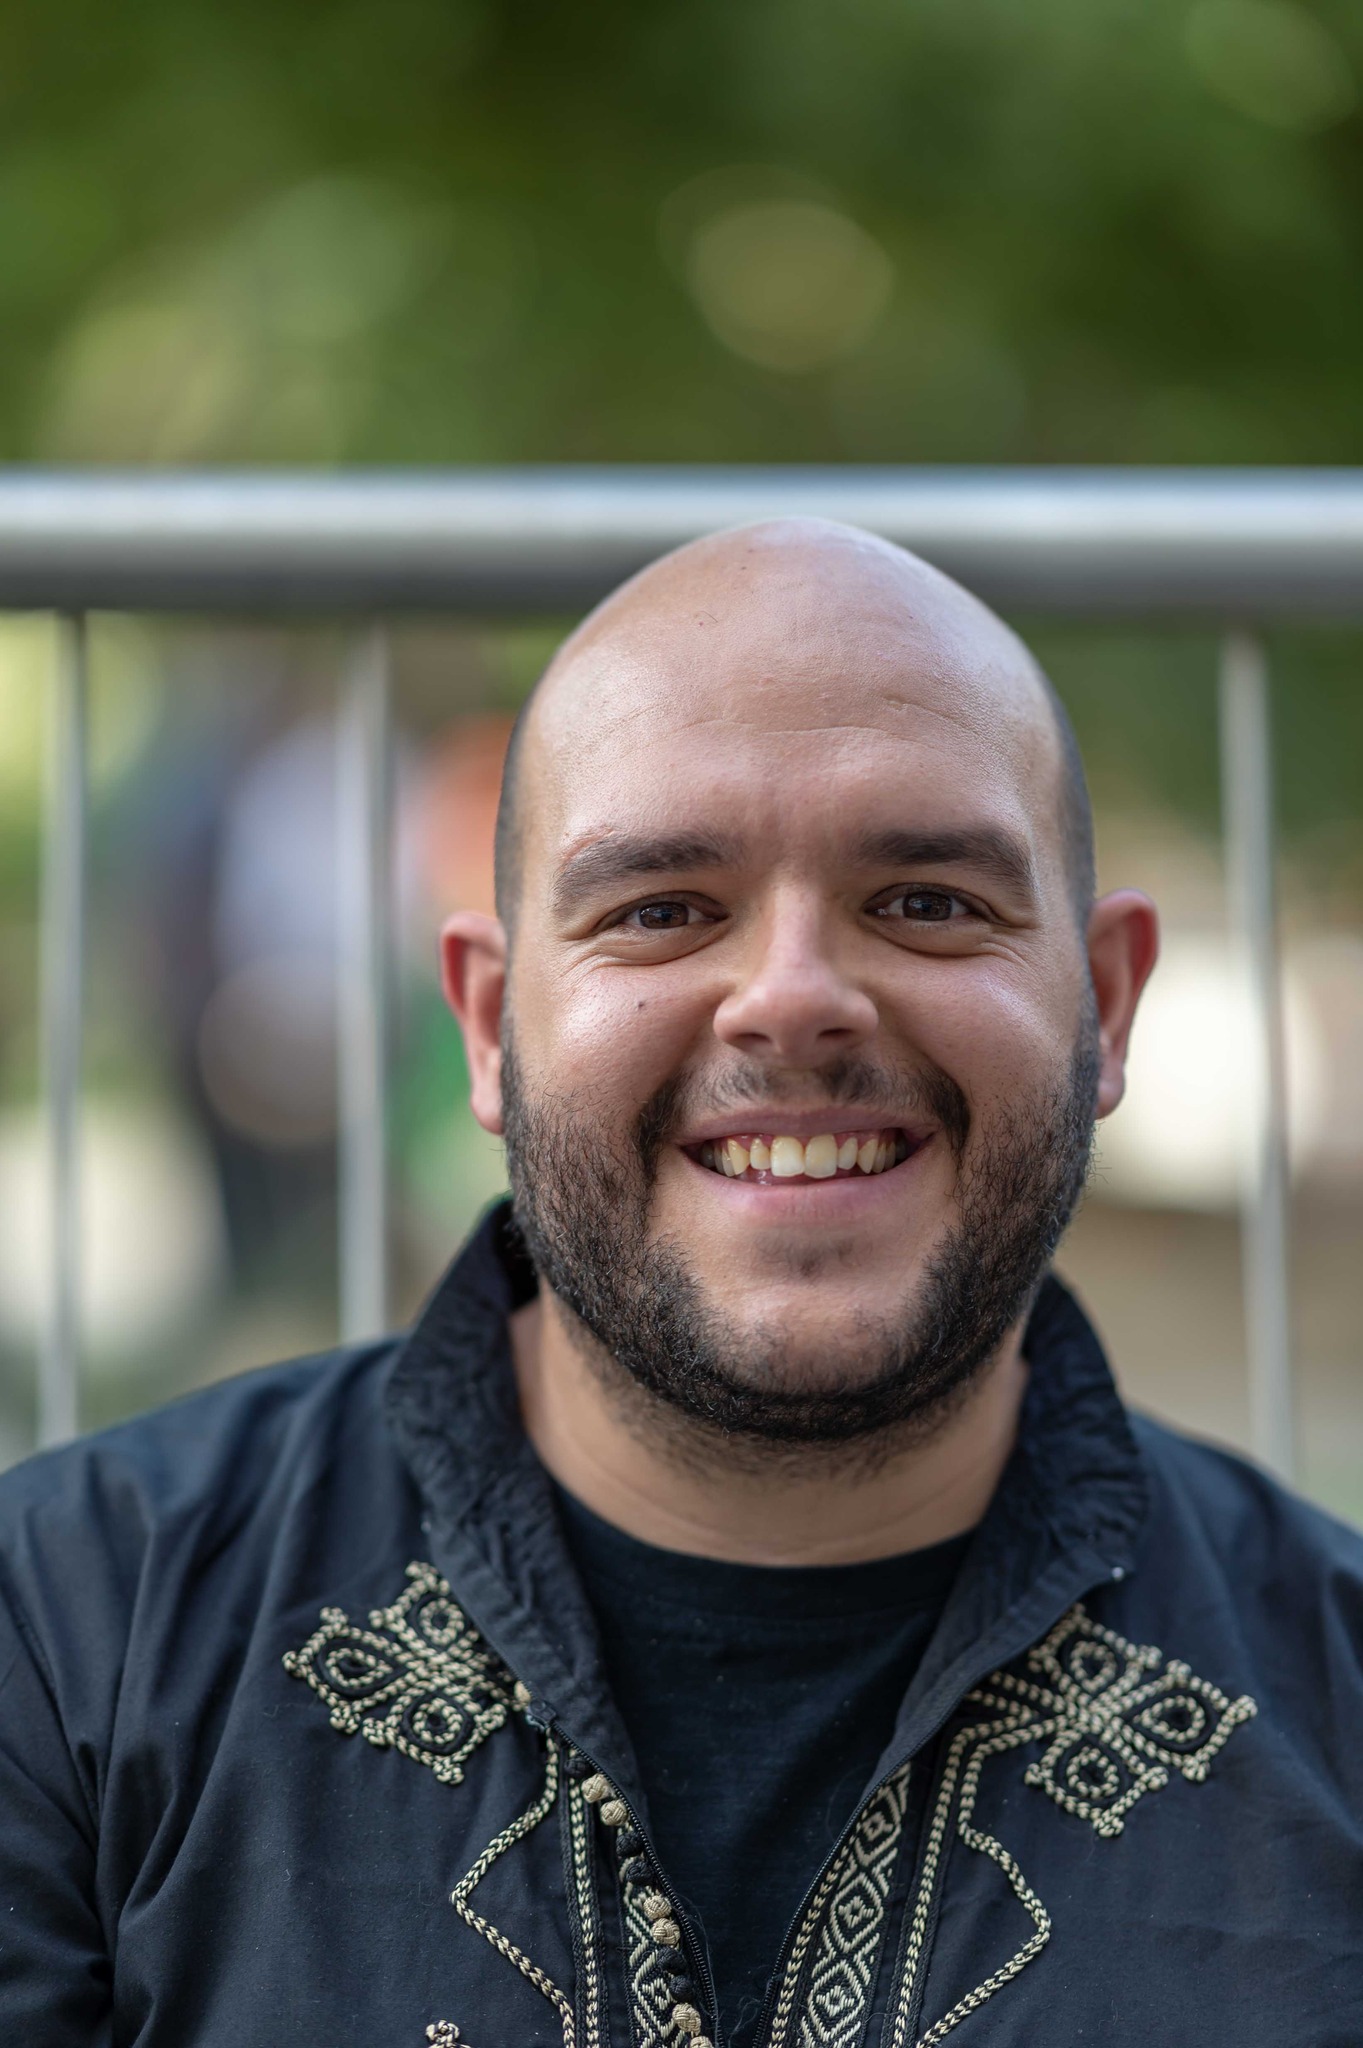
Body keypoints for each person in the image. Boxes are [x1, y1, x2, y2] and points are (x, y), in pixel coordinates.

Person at [1, 520, 1359, 2048]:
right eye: (660, 911)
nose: (792, 998)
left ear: (1103, 1004)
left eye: (926, 900)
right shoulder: (65, 1643)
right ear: (490, 1025)